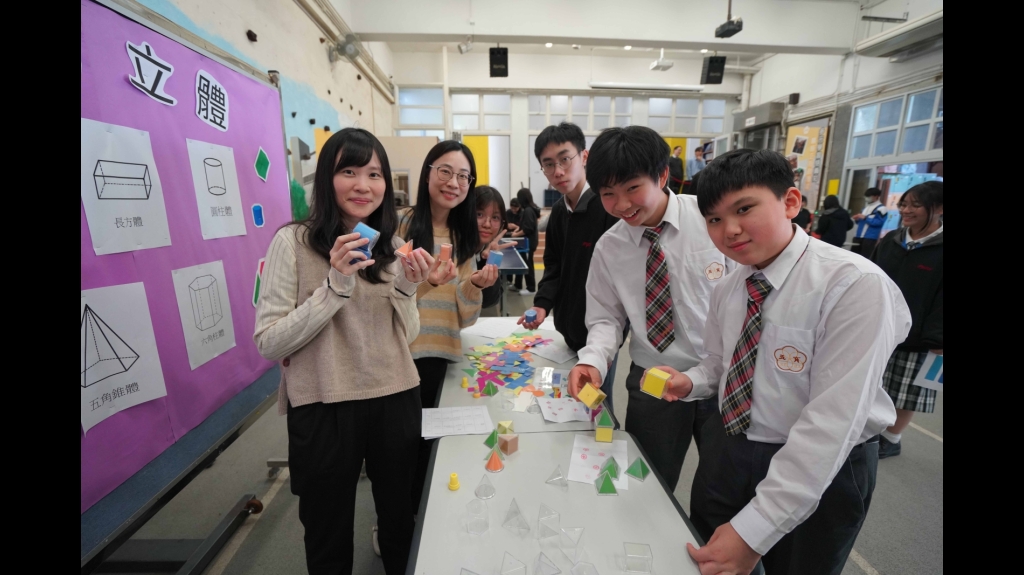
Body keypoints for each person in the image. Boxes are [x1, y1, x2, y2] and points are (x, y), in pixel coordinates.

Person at [663, 148, 910, 575]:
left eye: (744, 209)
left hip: (821, 464)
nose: (729, 230)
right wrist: (690, 382)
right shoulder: (730, 287)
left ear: (790, 202)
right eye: (714, 219)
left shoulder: (853, 285)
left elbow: (832, 421)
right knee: (711, 558)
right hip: (729, 447)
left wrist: (756, 530)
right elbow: (719, 365)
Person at [254, 128, 437, 575]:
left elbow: (408, 336)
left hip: (395, 395)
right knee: (327, 533)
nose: (363, 185)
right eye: (349, 171)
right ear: (326, 178)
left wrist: (408, 287)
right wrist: (334, 287)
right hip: (324, 403)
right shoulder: (292, 242)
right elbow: (269, 340)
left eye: (374, 174)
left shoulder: (389, 246)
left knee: (399, 521)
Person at [566, 126, 730, 492]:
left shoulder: (712, 222)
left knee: (723, 489)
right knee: (648, 482)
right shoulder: (610, 248)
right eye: (608, 194)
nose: (622, 204)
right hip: (654, 380)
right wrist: (592, 360)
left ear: (662, 175)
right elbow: (606, 318)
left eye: (632, 188)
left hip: (723, 377)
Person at [398, 140, 499, 517]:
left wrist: (473, 286)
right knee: (400, 448)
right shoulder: (401, 226)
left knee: (432, 445)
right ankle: (398, 521)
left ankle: (426, 518)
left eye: (463, 176)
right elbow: (387, 296)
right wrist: (426, 282)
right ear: (428, 173)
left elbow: (465, 317)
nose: (453, 183)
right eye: (445, 171)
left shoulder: (463, 238)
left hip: (440, 355)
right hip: (401, 355)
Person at [518, 122, 620, 411]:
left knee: (596, 407)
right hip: (569, 329)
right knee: (570, 402)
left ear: (584, 157)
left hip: (601, 335)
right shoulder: (559, 212)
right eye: (548, 164)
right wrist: (542, 304)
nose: (558, 171)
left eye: (565, 159)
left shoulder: (607, 208)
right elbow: (553, 265)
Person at [870, 181, 943, 459]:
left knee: (906, 390)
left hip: (920, 336)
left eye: (916, 205)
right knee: (875, 382)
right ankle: (871, 430)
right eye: (903, 204)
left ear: (939, 208)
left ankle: (892, 438)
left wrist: (938, 337)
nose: (906, 210)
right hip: (881, 327)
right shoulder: (892, 240)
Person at [474, 186, 509, 316]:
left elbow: (489, 301)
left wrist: (489, 261)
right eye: (479, 214)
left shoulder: (485, 251)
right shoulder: (453, 249)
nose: (487, 224)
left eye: (495, 217)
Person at [511, 188, 540, 294]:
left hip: (528, 243)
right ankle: (518, 285)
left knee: (528, 265)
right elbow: (523, 225)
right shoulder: (528, 210)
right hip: (525, 243)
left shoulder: (528, 210)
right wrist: (517, 230)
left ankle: (531, 288)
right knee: (522, 263)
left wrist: (516, 234)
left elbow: (528, 228)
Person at [852, 187, 887, 256]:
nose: (867, 198)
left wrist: (865, 218)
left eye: (869, 196)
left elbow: (879, 222)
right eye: (866, 196)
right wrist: (857, 219)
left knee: (865, 257)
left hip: (870, 237)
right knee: (853, 256)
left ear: (876, 196)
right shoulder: (865, 208)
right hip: (858, 236)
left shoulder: (882, 208)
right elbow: (861, 222)